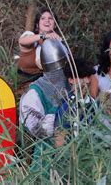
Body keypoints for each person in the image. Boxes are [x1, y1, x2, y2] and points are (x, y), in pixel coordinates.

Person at [19, 39, 69, 173]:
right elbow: (35, 128)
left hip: (73, 151)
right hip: (47, 153)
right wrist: (58, 119)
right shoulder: (35, 92)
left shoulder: (71, 82)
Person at [54, 58, 98, 147]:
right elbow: (59, 143)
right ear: (70, 79)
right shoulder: (67, 107)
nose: (87, 81)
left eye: (88, 76)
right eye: (82, 77)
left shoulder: (93, 103)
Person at [17, 8, 62, 82]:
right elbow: (22, 41)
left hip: (48, 81)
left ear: (55, 25)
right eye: (43, 18)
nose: (47, 20)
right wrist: (43, 36)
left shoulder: (58, 43)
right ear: (37, 25)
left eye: (50, 18)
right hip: (24, 81)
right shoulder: (31, 36)